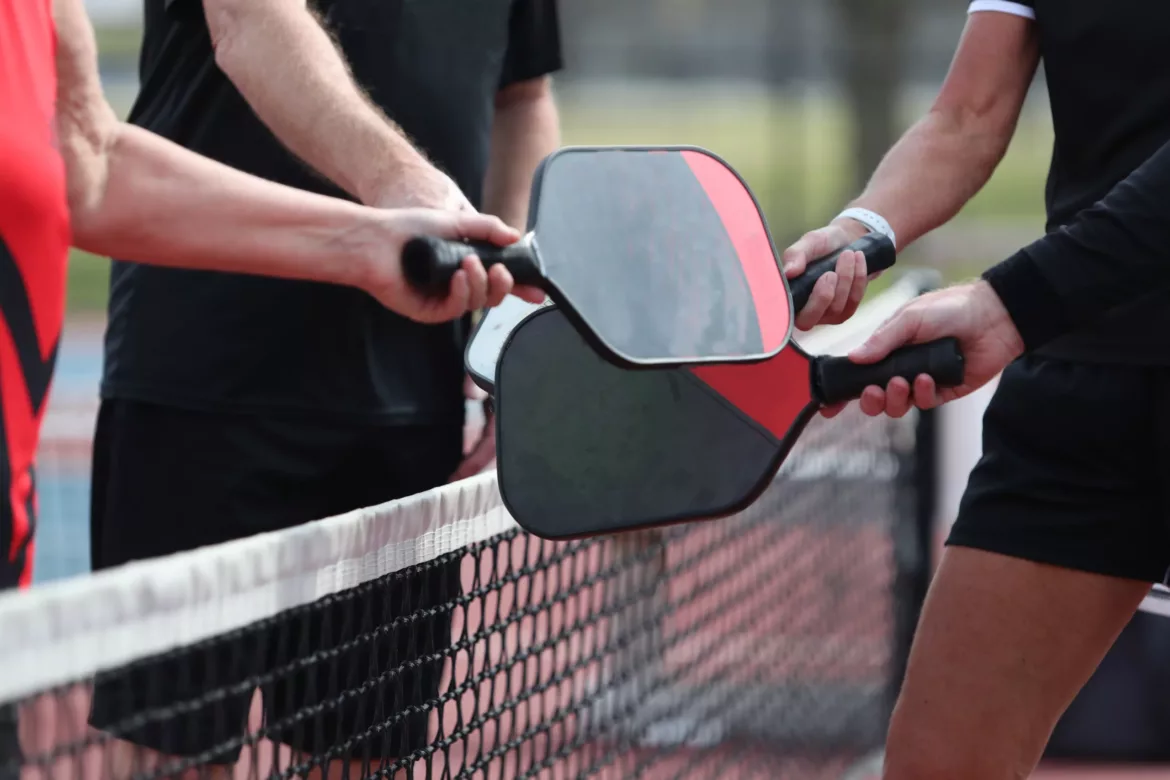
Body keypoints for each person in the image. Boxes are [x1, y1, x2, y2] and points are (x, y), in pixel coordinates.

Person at [0, 0, 538, 775]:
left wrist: (369, 244)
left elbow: (91, 158)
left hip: (403, 391)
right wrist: (397, 190)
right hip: (202, 375)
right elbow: (249, 19)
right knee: (169, 742)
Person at [779, 2, 1170, 778]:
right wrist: (863, 228)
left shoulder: (1024, 303)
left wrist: (1011, 303)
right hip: (1079, 382)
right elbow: (967, 114)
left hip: (1044, 309)